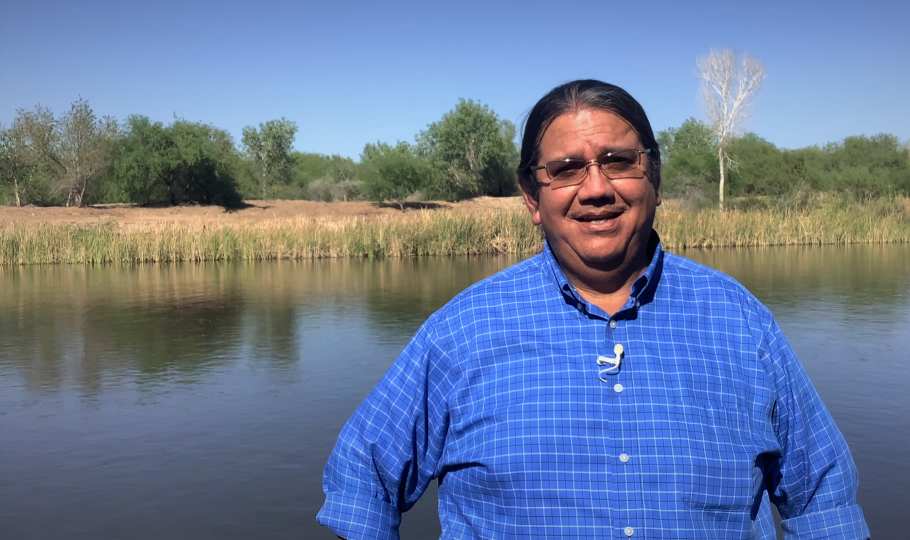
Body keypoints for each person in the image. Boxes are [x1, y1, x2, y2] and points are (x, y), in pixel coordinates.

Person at [317, 79, 869, 539]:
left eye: (618, 162)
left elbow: (823, 501)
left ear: (654, 179)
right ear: (533, 198)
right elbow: (361, 483)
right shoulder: (462, 332)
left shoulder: (742, 324)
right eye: (566, 169)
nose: (597, 188)